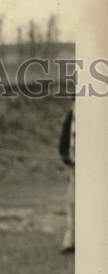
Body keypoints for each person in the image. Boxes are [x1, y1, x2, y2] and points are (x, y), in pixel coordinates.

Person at [59, 101, 75, 253]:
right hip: (76, 165)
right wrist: (65, 156)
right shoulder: (73, 114)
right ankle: (70, 240)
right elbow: (65, 135)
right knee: (72, 202)